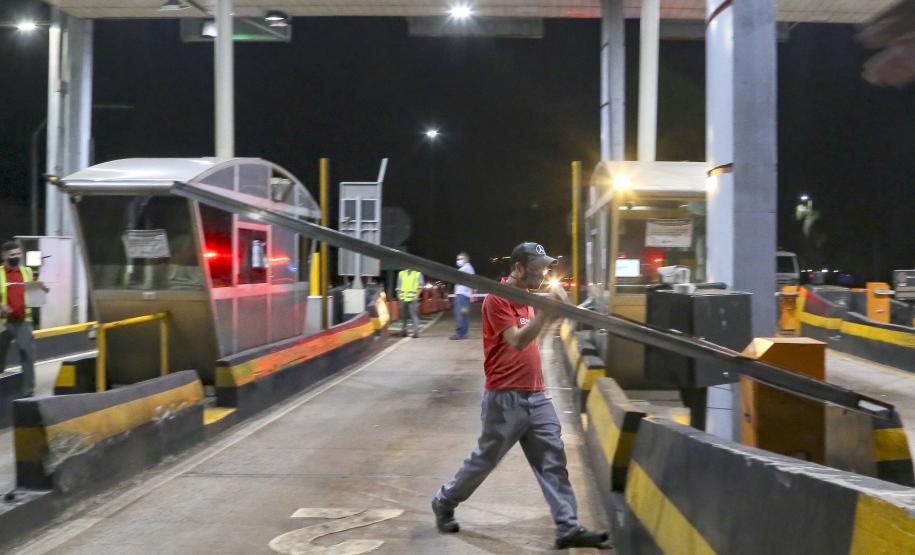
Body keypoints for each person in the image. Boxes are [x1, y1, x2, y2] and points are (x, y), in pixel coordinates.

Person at [432, 242, 610, 549]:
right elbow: (516, 341)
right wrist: (546, 313)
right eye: (537, 267)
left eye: (545, 266)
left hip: (537, 395)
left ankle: (567, 527)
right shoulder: (498, 300)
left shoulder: (529, 298)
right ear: (518, 268)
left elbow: (538, 328)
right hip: (505, 398)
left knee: (553, 460)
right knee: (486, 459)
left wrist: (555, 310)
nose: (543, 272)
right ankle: (444, 500)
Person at [0, 241, 48, 398]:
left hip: (23, 321)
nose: (16, 257)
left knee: (27, 354)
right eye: (12, 255)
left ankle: (28, 393)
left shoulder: (26, 272)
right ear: (4, 256)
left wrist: (41, 288)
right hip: (3, 322)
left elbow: (32, 292)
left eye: (18, 254)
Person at [450, 252, 475, 340]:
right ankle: (464, 333)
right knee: (464, 314)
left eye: (460, 259)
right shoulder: (469, 268)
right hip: (465, 295)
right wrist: (471, 294)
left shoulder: (465, 268)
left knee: (459, 313)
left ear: (465, 259)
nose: (458, 261)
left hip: (462, 295)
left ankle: (459, 333)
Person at [396, 268, 424, 339]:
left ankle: (416, 333)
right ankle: (404, 332)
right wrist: (399, 296)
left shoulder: (418, 273)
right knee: (403, 316)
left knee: (414, 315)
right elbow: (398, 286)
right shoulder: (401, 273)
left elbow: (420, 286)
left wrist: (417, 296)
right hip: (403, 298)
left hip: (413, 298)